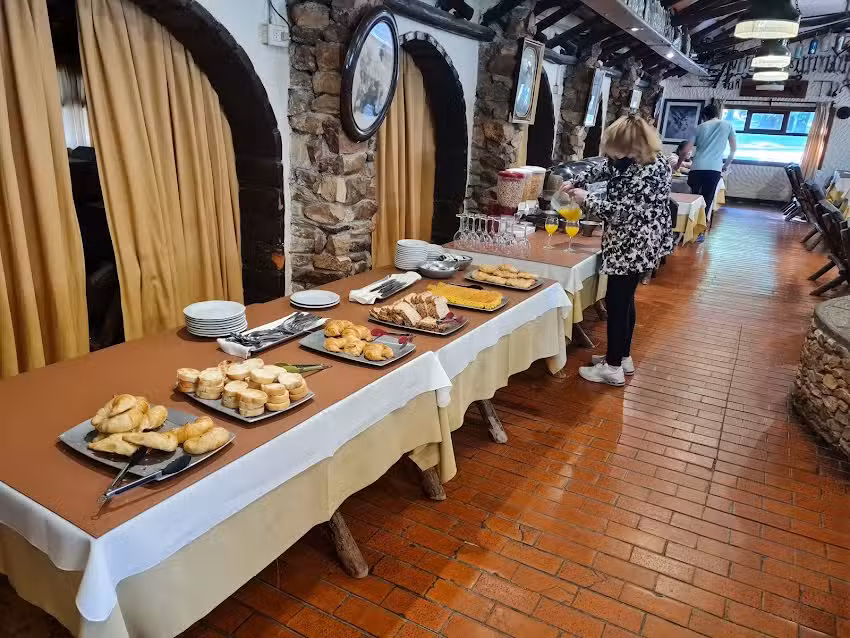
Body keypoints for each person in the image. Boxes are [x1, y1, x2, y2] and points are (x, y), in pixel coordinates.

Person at [561, 115, 672, 386]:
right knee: (625, 301)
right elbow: (605, 168)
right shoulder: (639, 161)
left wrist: (587, 199)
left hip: (633, 243)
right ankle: (621, 357)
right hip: (640, 242)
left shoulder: (645, 171)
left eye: (615, 148)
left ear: (632, 146)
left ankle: (612, 368)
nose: (610, 153)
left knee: (617, 303)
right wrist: (576, 180)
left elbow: (625, 214)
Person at [675, 103, 735, 216]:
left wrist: (677, 166)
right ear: (717, 114)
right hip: (714, 169)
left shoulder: (699, 127)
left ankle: (687, 225)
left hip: (697, 168)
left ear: (705, 116)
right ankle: (700, 229)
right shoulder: (728, 126)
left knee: (692, 199)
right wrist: (725, 166)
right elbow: (733, 150)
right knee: (707, 199)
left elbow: (684, 150)